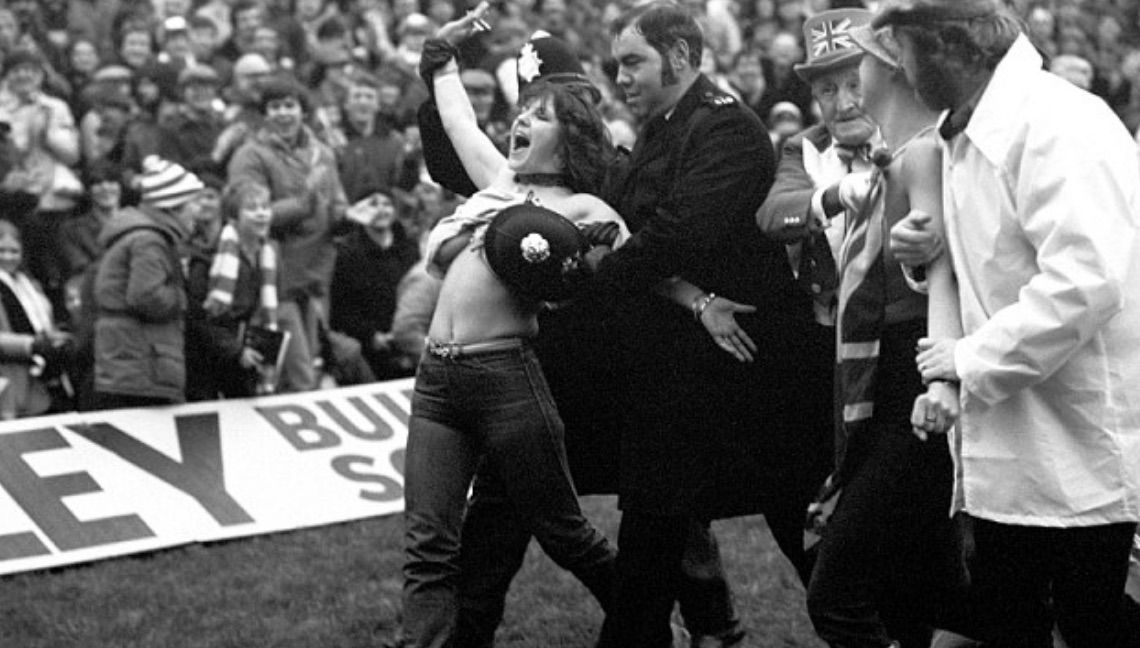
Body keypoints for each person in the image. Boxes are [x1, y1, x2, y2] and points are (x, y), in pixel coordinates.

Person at [882, 1, 1140, 646]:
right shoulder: (964, 133)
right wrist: (925, 257)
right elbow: (991, 266)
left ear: (949, 47)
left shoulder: (1058, 124)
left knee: (1091, 626)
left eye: (904, 48)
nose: (898, 68)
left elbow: (1085, 280)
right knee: (1007, 620)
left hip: (1078, 450)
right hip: (1012, 450)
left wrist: (969, 359)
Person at [590, 3, 819, 646]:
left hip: (749, 369)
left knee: (802, 529)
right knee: (652, 526)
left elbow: (674, 233)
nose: (622, 76)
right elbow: (636, 233)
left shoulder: (727, 130)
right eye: (617, 64)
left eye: (633, 61)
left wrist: (599, 272)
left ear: (683, 57)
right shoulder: (662, 130)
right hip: (680, 370)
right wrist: (682, 293)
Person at [799, 19, 968, 648]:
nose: (845, 93)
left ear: (889, 71)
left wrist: (924, 252)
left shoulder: (922, 151)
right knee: (931, 588)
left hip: (914, 380)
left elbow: (946, 277)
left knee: (836, 595)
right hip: (890, 379)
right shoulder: (895, 156)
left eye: (856, 70)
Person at [228, 75, 358, 393]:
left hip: (314, 278)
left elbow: (336, 204)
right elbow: (252, 215)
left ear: (303, 111)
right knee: (288, 374)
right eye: (275, 107)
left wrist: (350, 217)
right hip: (273, 281)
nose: (283, 113)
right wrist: (304, 202)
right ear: (264, 114)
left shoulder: (322, 154)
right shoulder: (251, 156)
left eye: (290, 105)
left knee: (313, 362)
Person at [90, 156, 203, 410]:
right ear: (173, 206)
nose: (199, 210)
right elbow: (146, 296)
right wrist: (182, 297)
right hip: (141, 368)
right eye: (193, 203)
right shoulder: (149, 241)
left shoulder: (140, 235)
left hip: (129, 365)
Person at [185, 178, 282, 400]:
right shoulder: (207, 258)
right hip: (207, 361)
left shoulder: (268, 253)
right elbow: (199, 317)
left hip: (244, 359)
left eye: (265, 207)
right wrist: (236, 351)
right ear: (233, 218)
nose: (261, 214)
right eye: (252, 208)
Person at [329, 188, 420, 381]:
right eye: (373, 204)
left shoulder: (410, 249)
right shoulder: (348, 255)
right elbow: (341, 309)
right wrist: (371, 336)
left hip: (412, 341)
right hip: (370, 347)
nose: (380, 210)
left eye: (386, 204)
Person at [0, 219, 74, 419]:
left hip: (42, 379)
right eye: (1, 251)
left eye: (14, 251)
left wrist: (57, 339)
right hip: (8, 382)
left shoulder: (30, 284)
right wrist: (31, 344)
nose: (8, 257)